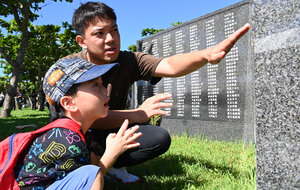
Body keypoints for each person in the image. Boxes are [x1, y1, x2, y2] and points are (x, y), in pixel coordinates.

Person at [61, 1, 250, 183]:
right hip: (74, 135)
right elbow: (80, 119)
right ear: (82, 41)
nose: (110, 39)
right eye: (99, 33)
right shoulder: (69, 69)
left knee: (157, 138)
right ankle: (88, 166)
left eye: (114, 30)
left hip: (111, 131)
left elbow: (168, 65)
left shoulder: (128, 61)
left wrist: (205, 55)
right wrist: (139, 114)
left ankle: (110, 166)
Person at [14, 57, 142, 189]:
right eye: (95, 85)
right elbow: (89, 181)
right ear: (69, 103)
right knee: (91, 174)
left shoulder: (71, 132)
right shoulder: (67, 141)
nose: (105, 90)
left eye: (102, 83)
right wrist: (111, 154)